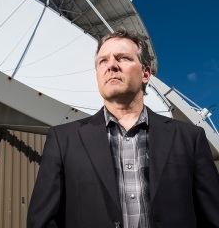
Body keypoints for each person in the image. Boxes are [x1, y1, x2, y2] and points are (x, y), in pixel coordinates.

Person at [27, 29, 219, 228]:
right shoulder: (63, 140)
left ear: (145, 74)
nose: (111, 66)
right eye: (103, 61)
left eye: (123, 58)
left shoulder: (189, 138)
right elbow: (41, 221)